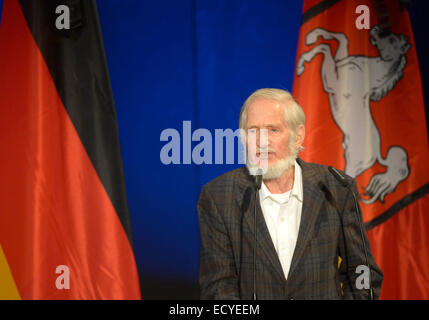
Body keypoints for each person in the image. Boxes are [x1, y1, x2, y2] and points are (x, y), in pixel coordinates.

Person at [197, 88, 383, 300]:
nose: (262, 142)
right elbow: (218, 287)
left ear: (298, 136)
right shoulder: (218, 196)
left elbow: (363, 271)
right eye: (252, 131)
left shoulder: (337, 189)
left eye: (273, 130)